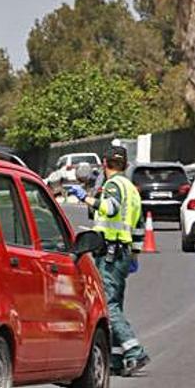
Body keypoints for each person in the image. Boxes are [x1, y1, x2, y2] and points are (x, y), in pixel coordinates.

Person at [64, 146, 150, 376]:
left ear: (104, 163)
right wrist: (134, 255)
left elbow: (110, 209)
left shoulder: (113, 186)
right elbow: (139, 227)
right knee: (115, 304)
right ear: (126, 164)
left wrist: (87, 199)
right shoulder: (131, 189)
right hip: (122, 253)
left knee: (108, 306)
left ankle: (134, 350)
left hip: (110, 254)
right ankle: (116, 359)